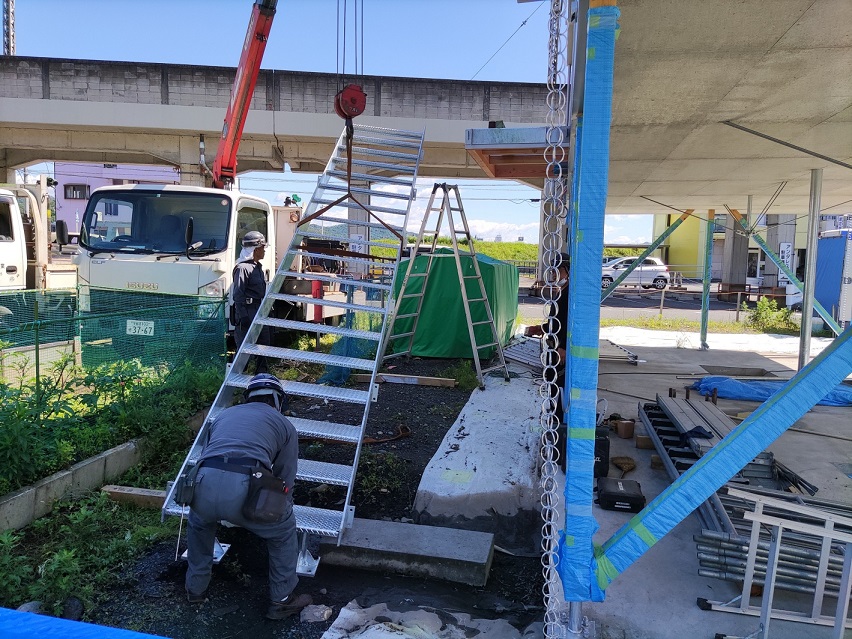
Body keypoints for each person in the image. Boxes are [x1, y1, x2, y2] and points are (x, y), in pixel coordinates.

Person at [185, 373, 312, 619]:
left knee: (199, 523)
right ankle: (282, 599)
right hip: (244, 484)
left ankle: (195, 589)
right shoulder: (284, 424)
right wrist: (277, 509)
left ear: (248, 397)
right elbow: (285, 477)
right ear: (279, 400)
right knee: (283, 532)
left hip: (203, 483)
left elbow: (208, 454)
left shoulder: (223, 416)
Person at [524, 253, 570, 466]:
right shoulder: (563, 291)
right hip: (554, 345)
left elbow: (568, 323)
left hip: (560, 349)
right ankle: (553, 426)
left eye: (556, 270)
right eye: (551, 270)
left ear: (566, 270)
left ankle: (557, 434)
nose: (552, 274)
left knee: (558, 388)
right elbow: (555, 321)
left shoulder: (570, 294)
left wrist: (563, 347)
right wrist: (539, 329)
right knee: (553, 387)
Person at [232, 230, 272, 373]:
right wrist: (243, 316)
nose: (264, 251)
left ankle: (262, 378)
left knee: (264, 346)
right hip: (247, 310)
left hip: (258, 309)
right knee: (244, 350)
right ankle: (236, 379)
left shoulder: (258, 267)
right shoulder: (242, 268)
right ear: (255, 249)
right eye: (262, 248)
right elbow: (238, 294)